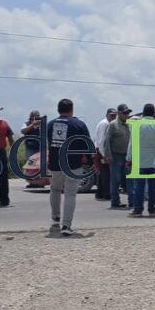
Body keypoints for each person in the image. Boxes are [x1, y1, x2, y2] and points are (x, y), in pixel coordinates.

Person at [47, 98, 93, 236]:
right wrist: (89, 161)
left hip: (55, 163)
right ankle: (66, 225)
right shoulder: (79, 124)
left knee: (54, 189)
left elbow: (48, 141)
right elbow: (87, 145)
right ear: (72, 109)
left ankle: (55, 218)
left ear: (58, 109)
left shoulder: (50, 124)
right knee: (70, 194)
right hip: (73, 164)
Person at [127, 104, 155, 218]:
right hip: (154, 160)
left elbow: (132, 143)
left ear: (143, 113)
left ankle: (138, 210)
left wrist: (129, 158)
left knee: (139, 186)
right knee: (153, 186)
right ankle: (152, 210)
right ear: (153, 113)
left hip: (139, 160)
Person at [104, 104, 134, 209]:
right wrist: (108, 155)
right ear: (119, 113)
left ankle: (132, 202)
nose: (127, 115)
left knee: (130, 180)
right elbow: (106, 140)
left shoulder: (130, 124)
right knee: (115, 180)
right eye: (125, 113)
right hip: (116, 155)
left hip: (128, 156)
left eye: (128, 112)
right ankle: (115, 202)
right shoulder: (112, 125)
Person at [94, 108, 116, 201]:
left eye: (115, 115)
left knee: (103, 174)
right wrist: (104, 155)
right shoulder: (105, 124)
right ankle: (106, 194)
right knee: (106, 174)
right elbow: (102, 141)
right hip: (101, 151)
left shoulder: (105, 123)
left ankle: (100, 193)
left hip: (101, 150)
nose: (114, 117)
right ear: (107, 115)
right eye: (112, 115)